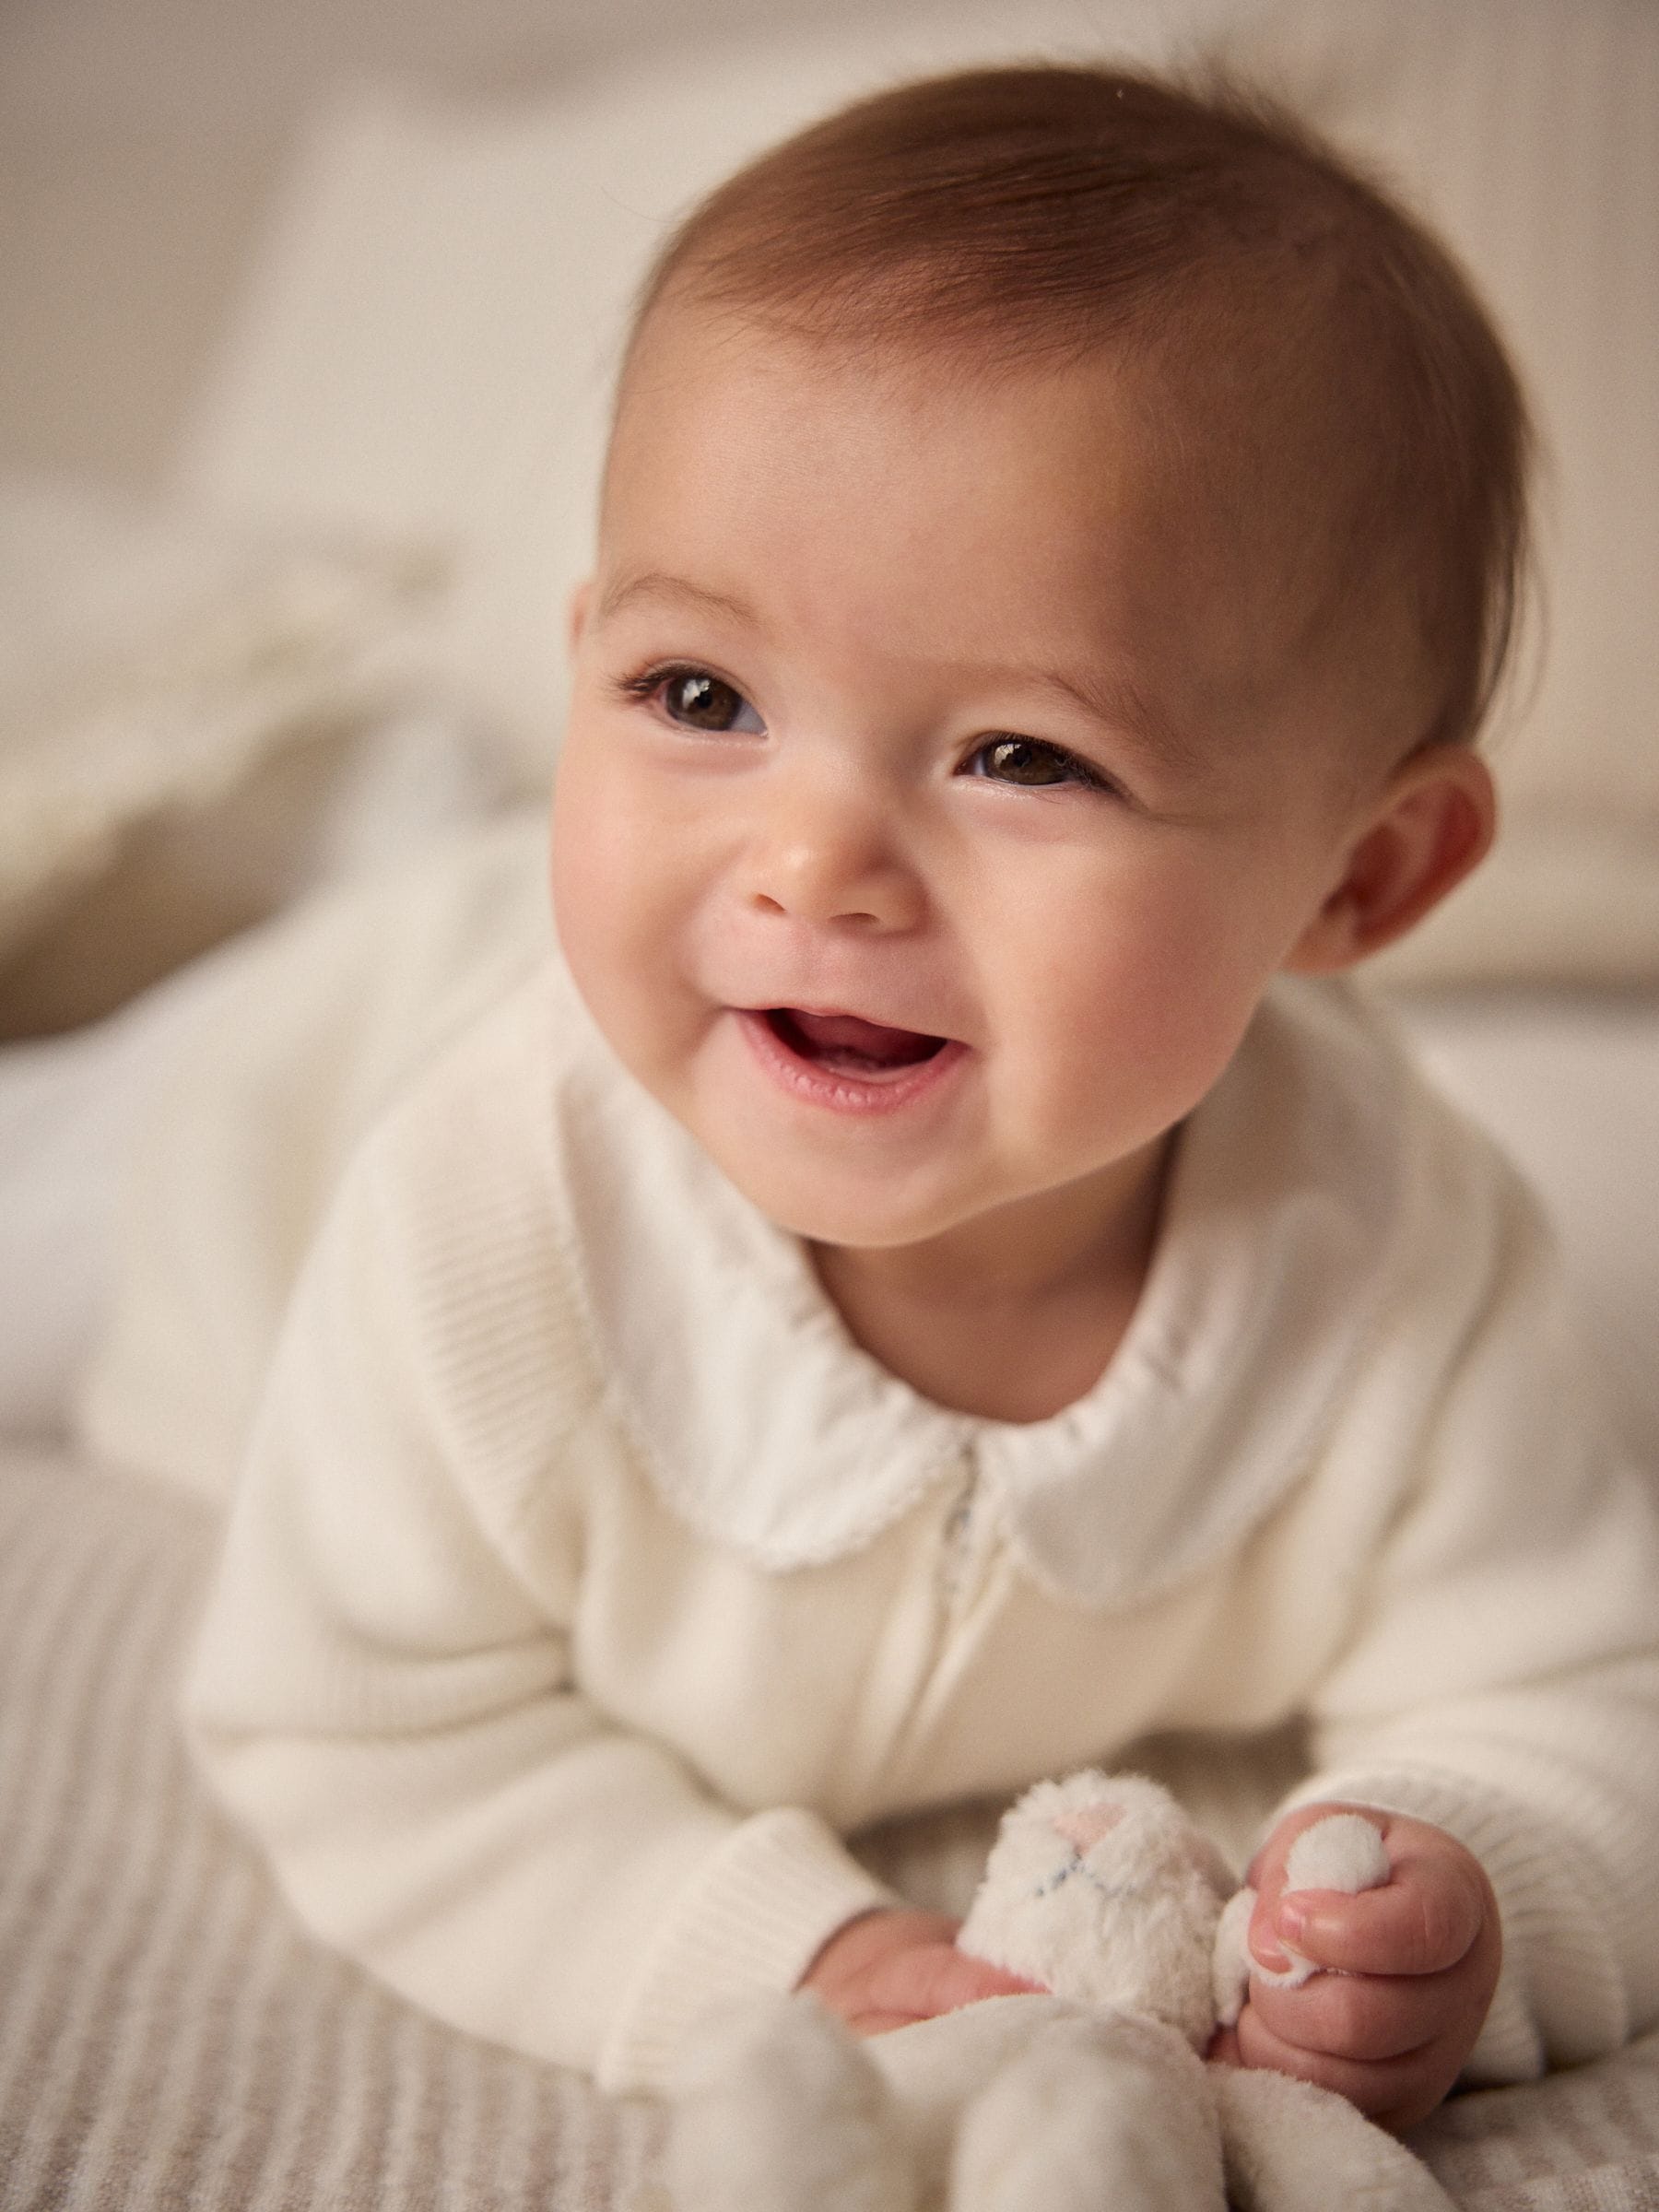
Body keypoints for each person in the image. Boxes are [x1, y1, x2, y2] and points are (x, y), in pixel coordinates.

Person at [83, 64, 1658, 2136]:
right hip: (302, 1078)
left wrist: (1468, 1879)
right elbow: (357, 1732)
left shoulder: (1400, 1262)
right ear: (584, 669)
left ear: (1358, 877)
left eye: (1021, 755)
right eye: (696, 696)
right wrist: (794, 1952)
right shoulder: (480, 1223)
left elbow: (1584, 1690)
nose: (813, 857)